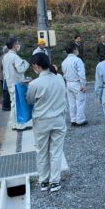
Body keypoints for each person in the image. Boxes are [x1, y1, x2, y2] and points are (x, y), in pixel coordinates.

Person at [26, 53, 68, 193]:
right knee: (56, 151)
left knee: (42, 151)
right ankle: (55, 181)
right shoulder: (59, 77)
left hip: (41, 121)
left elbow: (30, 100)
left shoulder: (34, 84)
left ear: (37, 66)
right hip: (59, 119)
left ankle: (44, 180)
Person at [2, 37, 31, 131]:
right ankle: (20, 125)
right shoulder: (15, 57)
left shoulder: (5, 57)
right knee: (19, 105)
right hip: (17, 84)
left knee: (13, 104)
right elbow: (21, 69)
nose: (19, 45)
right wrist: (26, 63)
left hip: (10, 83)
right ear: (14, 45)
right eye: (18, 43)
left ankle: (14, 124)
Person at [61, 43, 88, 127]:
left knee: (71, 103)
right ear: (74, 50)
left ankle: (73, 120)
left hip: (68, 83)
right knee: (80, 102)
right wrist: (83, 84)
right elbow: (81, 74)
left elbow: (64, 74)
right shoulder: (78, 60)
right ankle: (80, 120)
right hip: (77, 83)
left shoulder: (64, 62)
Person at [0, 46, 11, 111]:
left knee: (5, 91)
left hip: (1, 76)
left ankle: (5, 105)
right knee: (6, 91)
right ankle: (6, 106)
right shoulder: (5, 57)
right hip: (4, 76)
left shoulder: (1, 56)